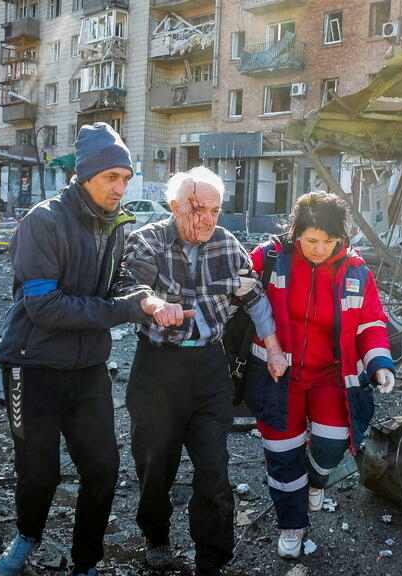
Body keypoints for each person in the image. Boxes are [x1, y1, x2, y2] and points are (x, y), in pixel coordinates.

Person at [0, 123, 165, 576]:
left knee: (104, 471)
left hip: (88, 368)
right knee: (39, 474)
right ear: (85, 174)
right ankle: (26, 538)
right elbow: (45, 306)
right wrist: (124, 310)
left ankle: (86, 562)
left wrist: (146, 297)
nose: (120, 187)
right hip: (30, 368)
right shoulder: (43, 221)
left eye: (126, 178)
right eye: (112, 176)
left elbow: (121, 287)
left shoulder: (117, 226)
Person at [113, 166, 287, 576]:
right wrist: (155, 305)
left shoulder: (227, 245)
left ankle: (212, 558)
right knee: (155, 463)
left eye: (215, 209)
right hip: (157, 368)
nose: (208, 219)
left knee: (214, 467)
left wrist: (275, 349)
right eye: (198, 209)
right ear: (174, 207)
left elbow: (254, 299)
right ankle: (156, 536)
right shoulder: (147, 241)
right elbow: (127, 288)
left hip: (210, 366)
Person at [243, 191, 396, 559]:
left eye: (329, 241)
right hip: (278, 376)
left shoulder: (356, 270)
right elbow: (238, 294)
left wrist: (380, 363)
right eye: (312, 240)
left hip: (331, 376)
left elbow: (371, 323)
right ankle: (292, 526)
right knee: (282, 454)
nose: (320, 248)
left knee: (331, 445)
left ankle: (315, 481)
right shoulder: (270, 258)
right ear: (296, 233)